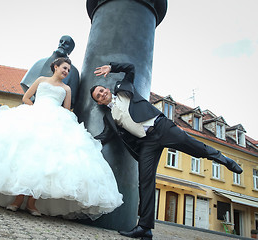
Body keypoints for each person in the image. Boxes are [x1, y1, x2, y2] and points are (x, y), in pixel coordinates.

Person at [0, 57, 123, 220]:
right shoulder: (41, 80)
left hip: (55, 121)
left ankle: (32, 203)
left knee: (44, 161)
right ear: (55, 67)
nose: (66, 72)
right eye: (64, 68)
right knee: (24, 156)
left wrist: (58, 118)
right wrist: (37, 110)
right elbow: (26, 98)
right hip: (36, 114)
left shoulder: (67, 89)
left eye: (68, 70)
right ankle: (17, 198)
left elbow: (67, 110)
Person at [90, 62, 243, 239]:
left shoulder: (123, 88)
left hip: (161, 127)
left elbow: (131, 68)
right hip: (146, 143)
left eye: (102, 90)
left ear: (107, 89)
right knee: (145, 182)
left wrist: (111, 67)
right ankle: (145, 228)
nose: (102, 94)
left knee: (195, 147)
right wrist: (86, 140)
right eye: (98, 96)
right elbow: (106, 135)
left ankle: (224, 159)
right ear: (99, 102)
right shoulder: (109, 117)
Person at [20, 35, 80, 108]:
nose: (62, 44)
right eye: (61, 41)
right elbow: (26, 96)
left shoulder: (72, 77)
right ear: (56, 67)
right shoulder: (40, 70)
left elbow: (68, 107)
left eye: (67, 43)